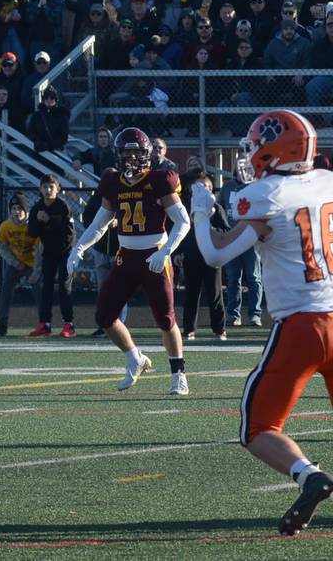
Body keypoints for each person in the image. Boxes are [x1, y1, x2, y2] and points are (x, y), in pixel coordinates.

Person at [189, 109, 333, 536]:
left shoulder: (267, 195)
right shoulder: (327, 182)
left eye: (255, 146)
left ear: (274, 149)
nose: (250, 154)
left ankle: (308, 475)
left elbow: (215, 253)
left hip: (302, 327)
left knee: (258, 427)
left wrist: (200, 212)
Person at [67, 127, 191, 395]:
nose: (131, 158)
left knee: (166, 319)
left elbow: (183, 221)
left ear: (146, 155)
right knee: (104, 316)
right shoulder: (113, 182)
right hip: (126, 256)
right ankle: (135, 358)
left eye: (136, 153)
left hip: (154, 253)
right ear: (118, 155)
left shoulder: (160, 180)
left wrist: (165, 251)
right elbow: (101, 223)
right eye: (126, 153)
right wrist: (79, 247)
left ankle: (178, 374)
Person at [176, 171, 228, 340]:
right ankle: (189, 329)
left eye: (207, 186)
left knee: (215, 294)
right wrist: (178, 252)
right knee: (191, 294)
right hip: (191, 256)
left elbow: (226, 230)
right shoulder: (186, 207)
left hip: (211, 257)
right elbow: (180, 231)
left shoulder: (216, 208)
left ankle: (219, 330)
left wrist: (211, 231)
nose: (203, 189)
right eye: (199, 186)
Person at [28, 174, 76, 338]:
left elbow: (69, 234)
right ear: (40, 189)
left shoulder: (63, 207)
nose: (48, 190)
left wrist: (48, 220)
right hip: (48, 252)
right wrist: (38, 221)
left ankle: (69, 324)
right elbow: (32, 233)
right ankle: (45, 324)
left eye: (51, 187)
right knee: (46, 288)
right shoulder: (37, 208)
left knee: (64, 287)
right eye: (45, 187)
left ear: (58, 189)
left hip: (65, 252)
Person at [0, 192, 41, 337]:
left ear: (26, 210)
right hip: (15, 262)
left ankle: (44, 323)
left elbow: (39, 249)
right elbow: (2, 247)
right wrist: (14, 262)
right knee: (5, 291)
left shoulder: (33, 225)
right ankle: (2, 325)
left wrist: (36, 271)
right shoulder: (6, 226)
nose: (16, 212)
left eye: (19, 208)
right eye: (13, 209)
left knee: (39, 291)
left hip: (32, 263)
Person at [218, 168, 264, 326]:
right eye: (239, 167)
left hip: (251, 238)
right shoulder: (227, 187)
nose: (242, 171)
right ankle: (233, 314)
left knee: (254, 277)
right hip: (232, 238)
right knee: (233, 279)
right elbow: (220, 208)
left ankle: (255, 314)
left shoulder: (255, 186)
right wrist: (224, 230)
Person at [82, 186, 128, 338]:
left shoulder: (126, 193)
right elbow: (87, 216)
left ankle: (120, 324)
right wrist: (100, 223)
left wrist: (118, 221)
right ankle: (105, 325)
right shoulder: (98, 196)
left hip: (120, 249)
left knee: (120, 289)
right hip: (101, 249)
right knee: (103, 290)